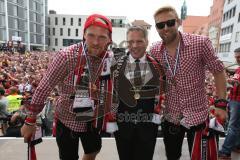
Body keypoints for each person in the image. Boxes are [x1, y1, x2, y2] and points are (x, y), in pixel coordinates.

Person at [21, 14, 114, 160]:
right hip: (67, 117)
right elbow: (44, 87)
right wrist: (30, 120)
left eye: (102, 37)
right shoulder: (66, 56)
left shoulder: (110, 58)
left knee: (94, 149)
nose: (96, 42)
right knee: (68, 157)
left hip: (92, 118)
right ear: (84, 34)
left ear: (109, 39)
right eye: (91, 35)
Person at [150, 6, 228, 160]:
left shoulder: (200, 43)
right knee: (172, 156)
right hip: (171, 116)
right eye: (160, 25)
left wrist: (221, 104)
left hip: (198, 114)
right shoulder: (154, 51)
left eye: (170, 22)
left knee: (201, 157)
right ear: (156, 28)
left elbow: (218, 71)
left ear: (178, 22)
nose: (165, 28)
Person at [111, 25, 165, 160]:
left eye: (139, 41)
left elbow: (163, 93)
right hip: (123, 128)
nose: (134, 45)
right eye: (130, 42)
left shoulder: (157, 65)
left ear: (147, 41)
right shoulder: (116, 65)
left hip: (148, 128)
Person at [218, 47, 240, 159]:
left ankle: (225, 152)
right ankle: (237, 145)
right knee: (237, 125)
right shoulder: (238, 69)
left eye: (239, 57)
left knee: (232, 126)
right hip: (234, 99)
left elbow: (237, 83)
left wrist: (233, 81)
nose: (237, 60)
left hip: (238, 101)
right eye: (236, 57)